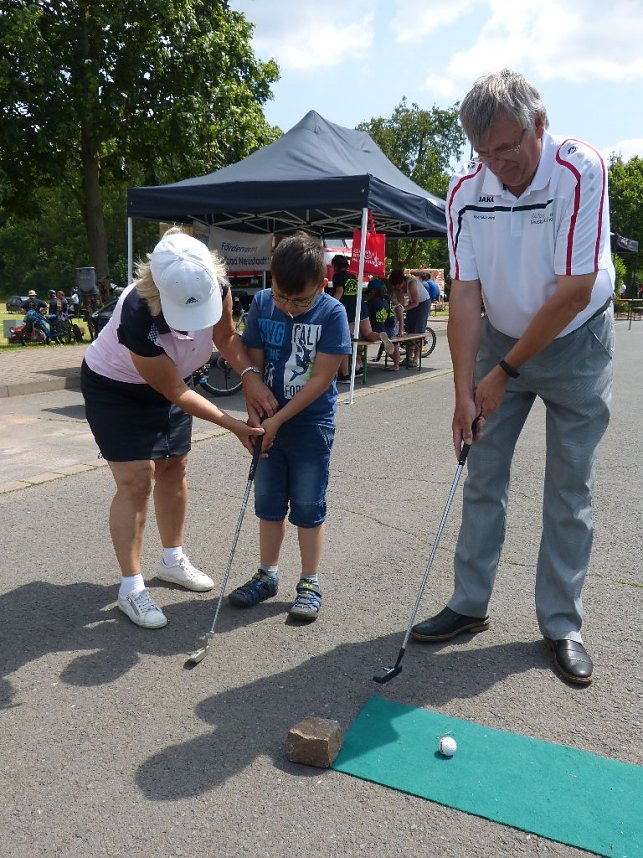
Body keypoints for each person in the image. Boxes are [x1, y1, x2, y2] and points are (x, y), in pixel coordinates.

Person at [411, 69, 614, 686]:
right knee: (483, 473)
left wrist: (499, 375)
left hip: (574, 342)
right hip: (499, 338)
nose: (498, 164)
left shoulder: (581, 170)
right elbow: (466, 296)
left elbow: (573, 291)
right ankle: (470, 604)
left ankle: (561, 623)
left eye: (508, 147)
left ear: (540, 126)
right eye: (485, 153)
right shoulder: (466, 193)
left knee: (569, 488)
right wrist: (461, 393)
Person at [80, 229, 277, 630]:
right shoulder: (137, 310)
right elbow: (173, 391)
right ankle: (130, 588)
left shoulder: (215, 285)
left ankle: (172, 561)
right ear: (156, 289)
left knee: (174, 467)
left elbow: (224, 337)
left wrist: (251, 376)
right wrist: (233, 425)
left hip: (174, 380)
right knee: (137, 480)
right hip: (115, 389)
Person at [229, 232, 351, 621]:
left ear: (323, 283)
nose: (288, 306)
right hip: (267, 425)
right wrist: (255, 413)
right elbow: (254, 363)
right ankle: (267, 575)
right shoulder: (264, 304)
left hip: (310, 425)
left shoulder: (332, 314)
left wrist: (280, 418)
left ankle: (310, 581)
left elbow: (321, 379)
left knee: (308, 505)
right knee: (267, 504)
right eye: (282, 295)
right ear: (272, 280)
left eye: (300, 299)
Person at [330, 254, 372, 380]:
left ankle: (346, 374)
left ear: (335, 266)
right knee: (367, 334)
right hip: (361, 308)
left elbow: (339, 292)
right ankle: (358, 366)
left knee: (345, 342)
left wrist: (329, 306)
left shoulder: (338, 276)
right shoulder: (352, 276)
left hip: (348, 312)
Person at [389, 270, 430, 366]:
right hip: (414, 303)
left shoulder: (411, 283)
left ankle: (416, 359)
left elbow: (416, 303)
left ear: (401, 282)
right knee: (409, 329)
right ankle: (409, 357)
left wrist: (403, 309)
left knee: (418, 331)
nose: (396, 287)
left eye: (396, 285)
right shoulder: (402, 284)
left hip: (423, 303)